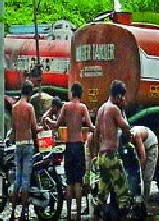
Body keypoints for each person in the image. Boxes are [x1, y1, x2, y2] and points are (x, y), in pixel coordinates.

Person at [47, 82, 94, 221]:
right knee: (78, 183)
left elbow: (56, 125)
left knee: (69, 183)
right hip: (79, 146)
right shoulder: (83, 107)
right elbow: (90, 126)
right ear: (80, 94)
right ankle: (78, 216)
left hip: (69, 146)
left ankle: (68, 216)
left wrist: (48, 120)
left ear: (73, 92)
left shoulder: (66, 106)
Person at [94, 80, 131, 220]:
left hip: (102, 156)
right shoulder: (114, 109)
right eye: (122, 96)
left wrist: (96, 154)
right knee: (123, 193)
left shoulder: (101, 109)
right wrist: (129, 135)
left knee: (102, 194)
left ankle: (98, 215)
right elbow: (124, 127)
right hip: (111, 155)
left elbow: (96, 133)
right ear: (118, 96)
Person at [11, 80, 42, 221]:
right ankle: (23, 212)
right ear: (29, 93)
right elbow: (34, 128)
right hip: (28, 145)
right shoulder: (29, 107)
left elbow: (13, 129)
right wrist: (43, 128)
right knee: (25, 180)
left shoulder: (14, 107)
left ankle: (12, 212)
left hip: (18, 144)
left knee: (17, 180)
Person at [131, 125, 158, 210]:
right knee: (135, 176)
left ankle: (145, 203)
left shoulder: (137, 135)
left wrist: (141, 168)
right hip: (142, 146)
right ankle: (136, 200)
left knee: (147, 177)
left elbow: (143, 156)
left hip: (151, 147)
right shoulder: (128, 136)